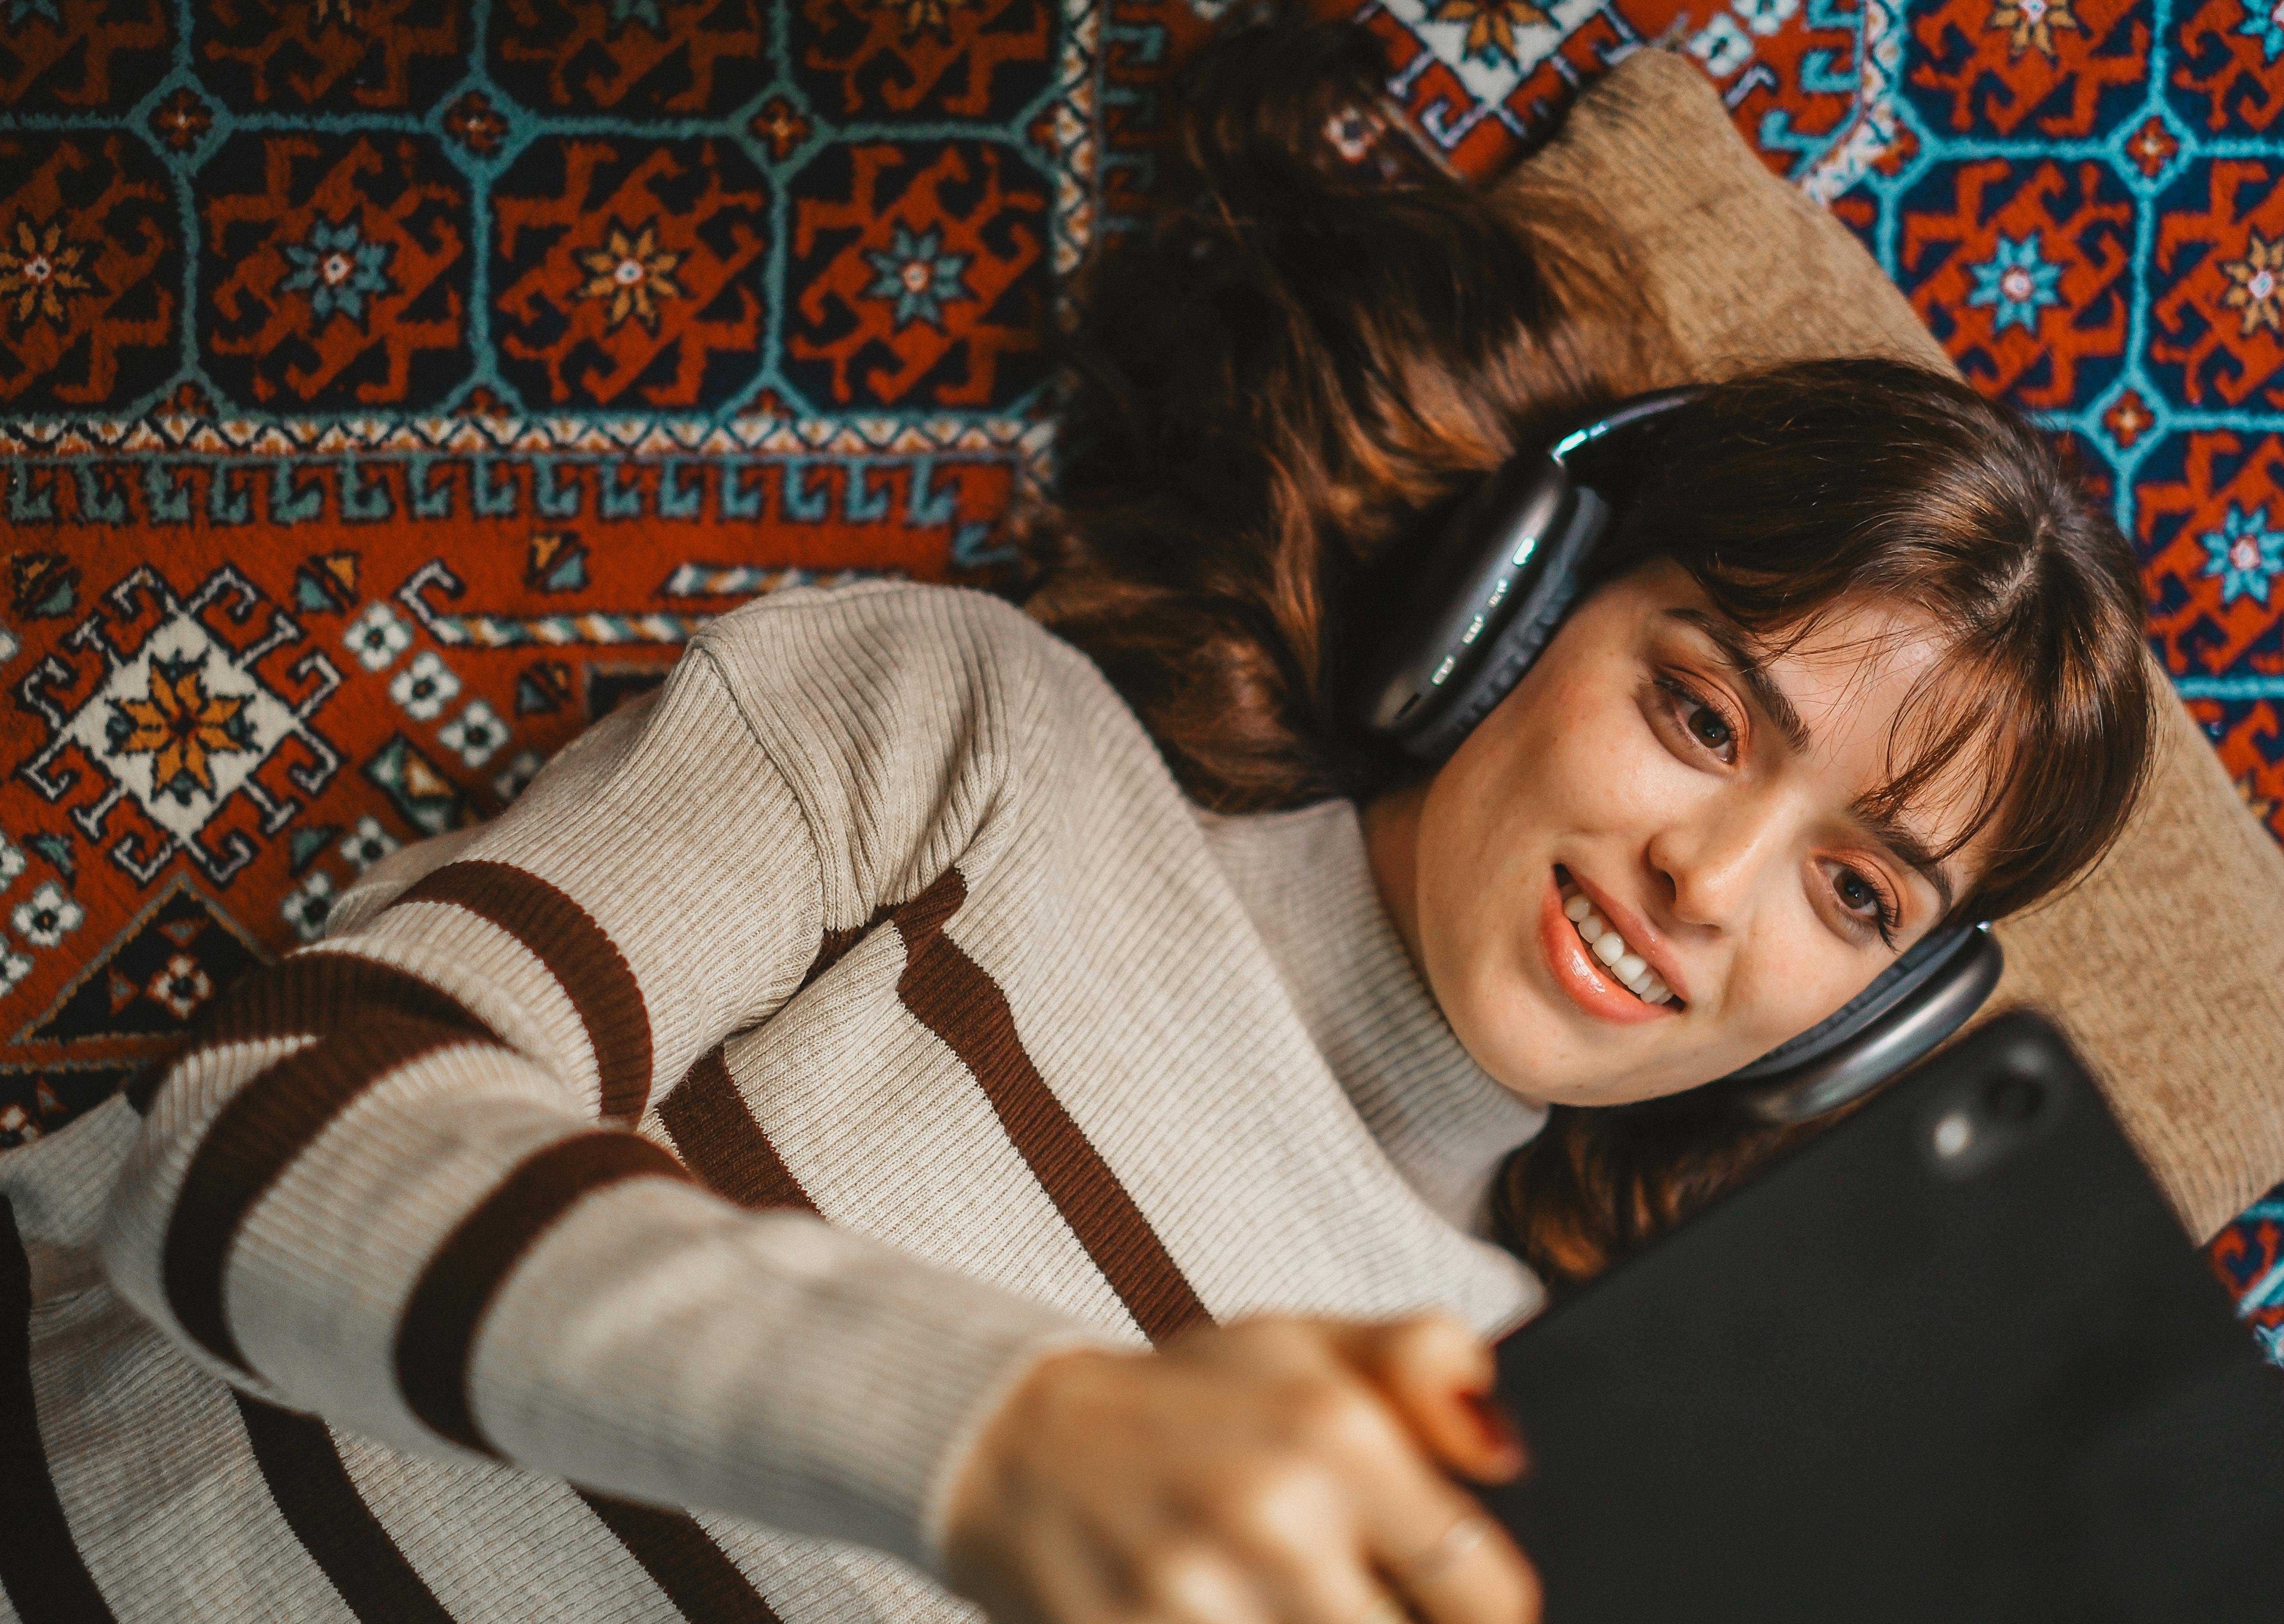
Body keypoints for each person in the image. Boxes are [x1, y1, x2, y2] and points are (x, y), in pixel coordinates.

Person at [0, 21, 2152, 1624]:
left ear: (1874, 1022)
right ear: (1520, 601)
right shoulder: (965, 728)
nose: (1711, 883)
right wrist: (998, 1436)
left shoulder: (1537, 1460)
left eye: (1855, 893)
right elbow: (263, 1136)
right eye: (1701, 713)